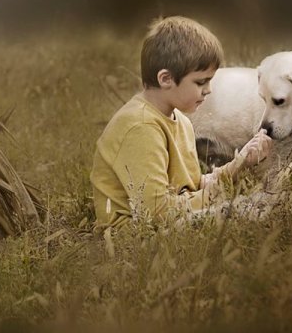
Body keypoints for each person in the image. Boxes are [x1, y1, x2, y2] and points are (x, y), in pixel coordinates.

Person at [90, 16, 272, 227]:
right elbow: (157, 213)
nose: (209, 90)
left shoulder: (182, 122)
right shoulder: (140, 127)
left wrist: (241, 162)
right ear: (165, 79)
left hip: (171, 219)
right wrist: (219, 198)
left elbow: (191, 186)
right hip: (135, 233)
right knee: (254, 212)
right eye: (200, 82)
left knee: (265, 205)